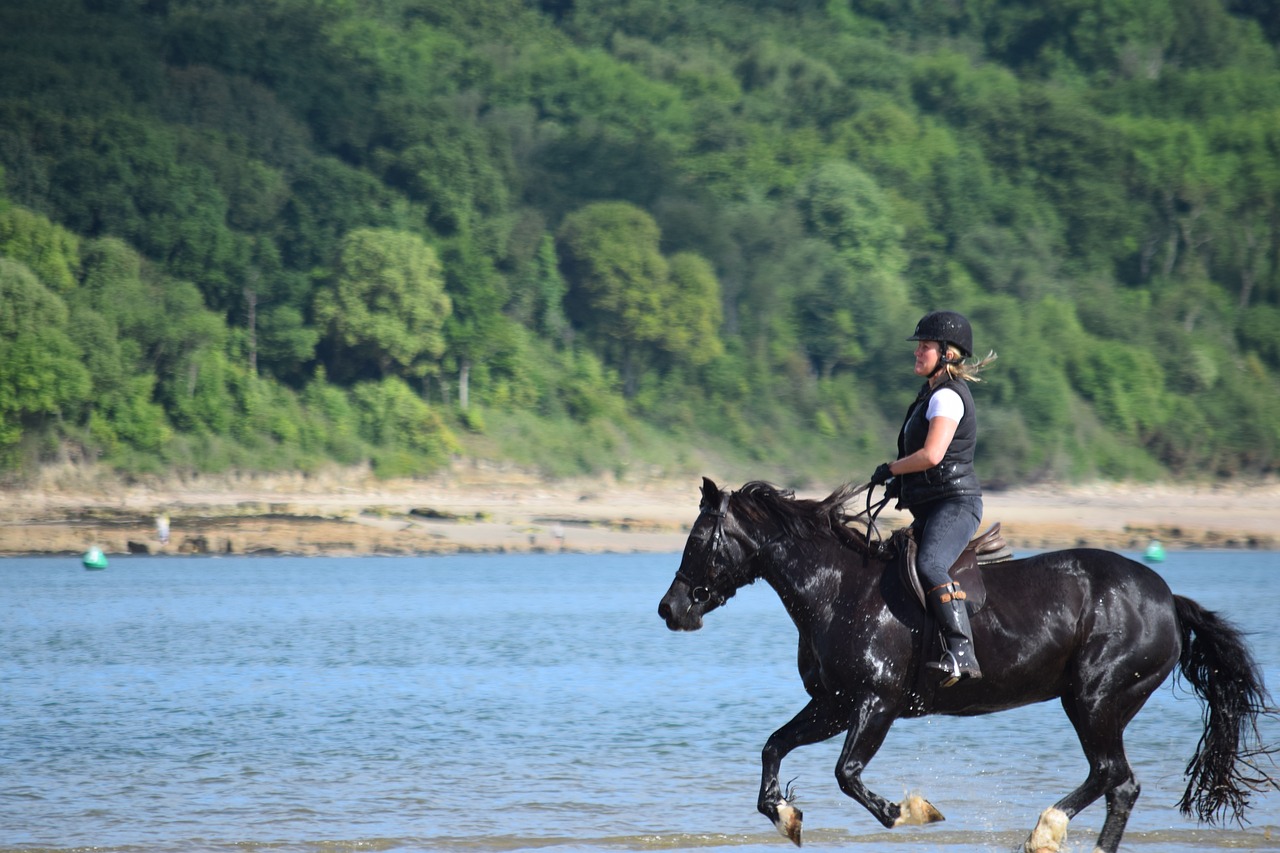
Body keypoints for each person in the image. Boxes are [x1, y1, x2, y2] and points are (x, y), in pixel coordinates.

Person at [869, 310, 996, 686]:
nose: (917, 352)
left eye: (924, 346)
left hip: (956, 506)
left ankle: (961, 651)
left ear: (947, 354)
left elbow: (933, 455)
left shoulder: (948, 398)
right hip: (935, 504)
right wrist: (899, 484)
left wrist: (893, 469)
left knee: (929, 565)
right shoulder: (931, 394)